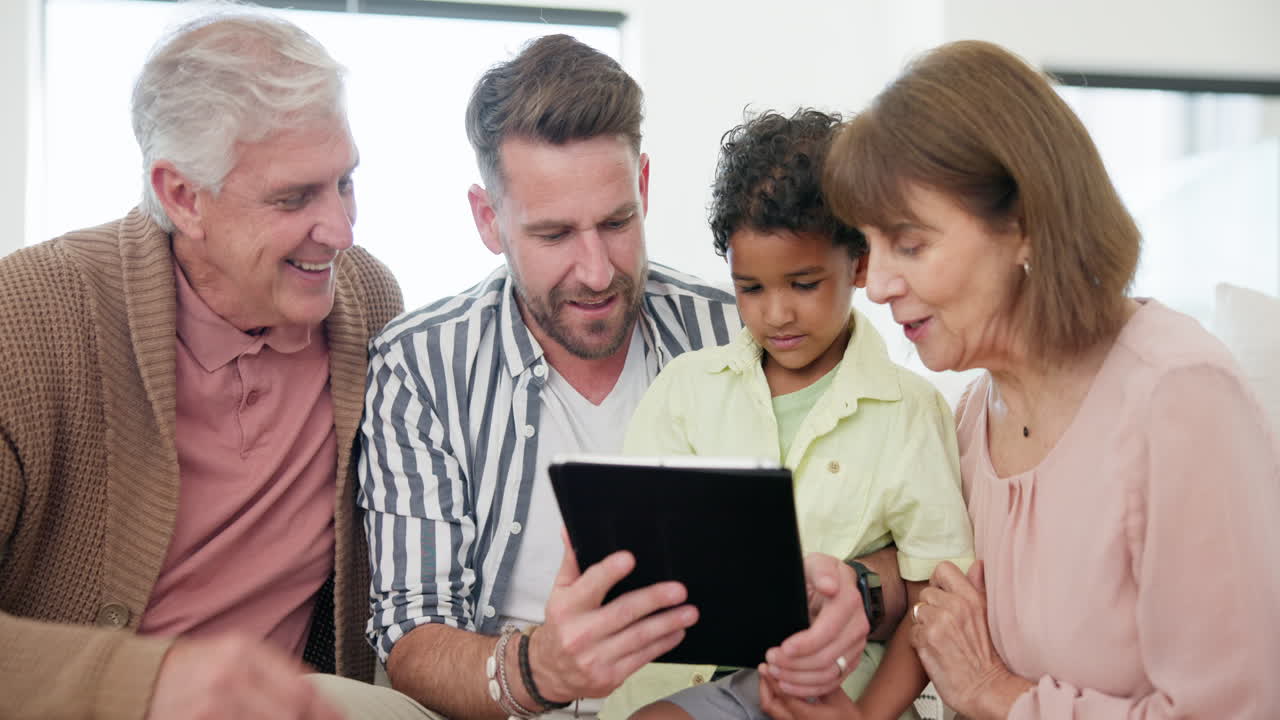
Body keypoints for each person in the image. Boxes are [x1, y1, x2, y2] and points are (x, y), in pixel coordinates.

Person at [359, 35, 897, 720]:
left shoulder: (740, 328)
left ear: (643, 186)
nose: (595, 271)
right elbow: (411, 636)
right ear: (489, 220)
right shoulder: (419, 363)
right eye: (554, 235)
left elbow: (894, 540)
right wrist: (542, 669)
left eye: (616, 222)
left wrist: (856, 590)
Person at [759, 40, 1280, 720]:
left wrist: (995, 694)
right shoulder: (972, 415)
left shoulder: (1180, 400)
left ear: (1027, 224)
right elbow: (928, 583)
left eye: (909, 244)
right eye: (869, 244)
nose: (878, 284)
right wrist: (848, 594)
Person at [0, 9, 433, 719]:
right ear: (182, 197)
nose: (341, 231)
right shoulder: (27, 316)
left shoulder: (364, 301)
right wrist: (150, 683)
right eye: (294, 197)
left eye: (345, 182)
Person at [614, 109, 973, 720]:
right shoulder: (686, 391)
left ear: (860, 264)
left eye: (804, 284)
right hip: (681, 690)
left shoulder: (912, 412)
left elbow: (930, 600)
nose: (777, 313)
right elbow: (635, 548)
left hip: (835, 695)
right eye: (751, 288)